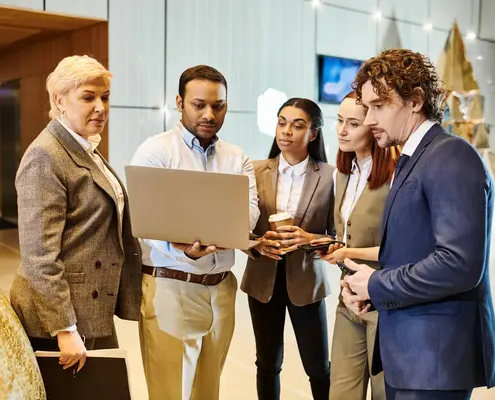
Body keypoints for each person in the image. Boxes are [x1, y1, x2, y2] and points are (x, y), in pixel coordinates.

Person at [342, 49, 495, 399]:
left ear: (415, 101)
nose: (368, 118)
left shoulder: (450, 155)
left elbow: (459, 265)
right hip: (415, 353)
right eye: (366, 106)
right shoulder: (415, 158)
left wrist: (379, 284)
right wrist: (371, 293)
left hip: (434, 360)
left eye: (378, 106)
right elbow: (414, 249)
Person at [130, 65, 260, 400]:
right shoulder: (156, 151)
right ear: (179, 102)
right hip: (172, 285)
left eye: (218, 106)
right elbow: (143, 221)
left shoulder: (237, 158)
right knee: (170, 392)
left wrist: (224, 231)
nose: (209, 114)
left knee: (208, 391)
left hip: (221, 289)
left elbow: (248, 212)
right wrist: (179, 247)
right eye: (198, 104)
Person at [10, 55, 142, 372]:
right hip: (56, 317)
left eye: (105, 97)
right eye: (88, 97)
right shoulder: (46, 154)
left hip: (89, 304)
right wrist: (65, 329)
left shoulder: (84, 146)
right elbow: (39, 255)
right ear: (60, 100)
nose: (100, 107)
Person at [241, 98, 334, 400]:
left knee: (318, 367)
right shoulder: (254, 170)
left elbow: (338, 234)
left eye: (298, 125)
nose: (286, 131)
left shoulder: (331, 177)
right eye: (282, 122)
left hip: (306, 281)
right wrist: (256, 244)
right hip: (262, 279)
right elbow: (238, 228)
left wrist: (308, 238)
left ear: (314, 134)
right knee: (267, 363)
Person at [315, 91, 395, 400]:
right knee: (341, 391)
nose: (341, 130)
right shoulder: (343, 175)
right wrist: (325, 245)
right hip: (348, 298)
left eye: (353, 123)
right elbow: (346, 236)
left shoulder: (394, 178)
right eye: (338, 120)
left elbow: (398, 248)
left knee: (383, 392)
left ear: (372, 127)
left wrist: (348, 252)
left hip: (383, 302)